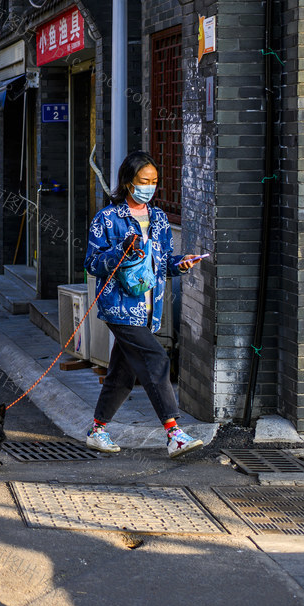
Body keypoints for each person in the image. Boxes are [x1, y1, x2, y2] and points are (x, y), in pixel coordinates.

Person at [83, 151, 203, 458]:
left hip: (150, 309)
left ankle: (97, 431)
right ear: (127, 182)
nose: (148, 187)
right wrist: (122, 250)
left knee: (122, 374)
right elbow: (93, 263)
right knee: (156, 360)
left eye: (154, 181)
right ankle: (174, 433)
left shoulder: (160, 219)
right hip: (120, 307)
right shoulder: (108, 219)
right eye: (142, 181)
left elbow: (162, 264)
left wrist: (182, 264)